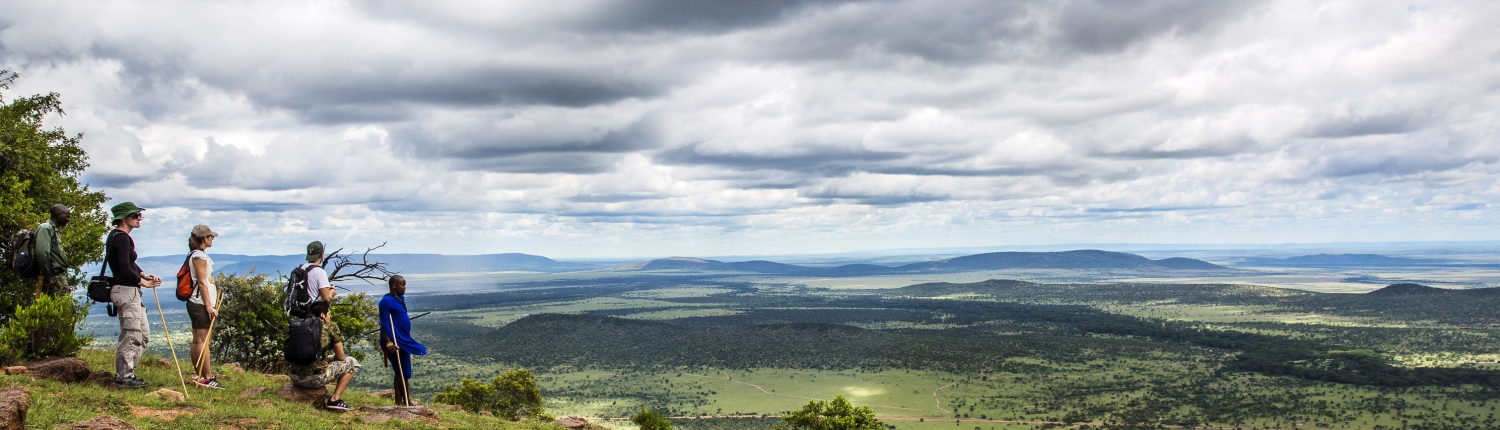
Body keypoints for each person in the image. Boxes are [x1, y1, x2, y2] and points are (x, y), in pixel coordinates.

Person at [106, 201, 162, 389]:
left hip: (130, 291)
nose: (139, 219)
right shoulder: (121, 237)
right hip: (126, 290)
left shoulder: (119, 237)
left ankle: (129, 373)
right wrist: (144, 283)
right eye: (135, 216)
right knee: (131, 334)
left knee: (142, 334)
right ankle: (124, 377)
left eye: (139, 215)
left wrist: (144, 274)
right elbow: (123, 268)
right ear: (124, 218)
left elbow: (129, 263)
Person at [287, 300, 359, 411]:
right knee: (352, 362)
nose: (329, 316)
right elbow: (340, 357)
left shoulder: (299, 325)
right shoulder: (330, 326)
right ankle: (335, 400)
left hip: (294, 378)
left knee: (323, 360)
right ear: (322, 315)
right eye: (329, 314)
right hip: (315, 380)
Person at [378, 275, 427, 406]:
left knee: (403, 371)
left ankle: (402, 400)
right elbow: (384, 324)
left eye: (405, 285)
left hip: (404, 339)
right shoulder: (386, 301)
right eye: (402, 285)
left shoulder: (400, 298)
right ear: (394, 286)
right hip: (394, 341)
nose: (405, 287)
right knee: (400, 370)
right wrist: (389, 343)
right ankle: (402, 401)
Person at [185, 224, 223, 389]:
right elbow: (201, 282)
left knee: (198, 340)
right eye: (211, 237)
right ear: (204, 238)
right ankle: (207, 377)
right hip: (200, 303)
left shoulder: (195, 254)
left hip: (196, 302)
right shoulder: (199, 256)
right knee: (202, 340)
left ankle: (201, 375)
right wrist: (209, 305)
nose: (212, 239)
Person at [33, 204, 72, 297]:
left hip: (57, 277)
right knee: (65, 309)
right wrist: (47, 277)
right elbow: (42, 253)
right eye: (67, 216)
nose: (68, 220)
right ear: (58, 215)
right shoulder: (46, 228)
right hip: (54, 278)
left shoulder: (53, 229)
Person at [302, 241, 335, 306]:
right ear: (322, 254)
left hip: (300, 311)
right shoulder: (320, 272)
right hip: (313, 312)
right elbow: (326, 299)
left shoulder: (301, 268)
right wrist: (332, 292)